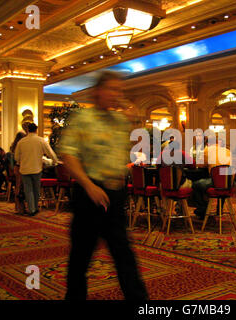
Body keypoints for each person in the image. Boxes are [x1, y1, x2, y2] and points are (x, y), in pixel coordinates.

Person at [58, 71, 147, 300]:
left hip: (115, 195)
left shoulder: (119, 121)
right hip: (89, 194)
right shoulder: (82, 119)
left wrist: (135, 119)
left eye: (120, 90)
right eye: (112, 89)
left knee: (123, 253)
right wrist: (89, 185)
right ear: (98, 91)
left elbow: (128, 151)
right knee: (82, 254)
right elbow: (68, 155)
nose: (117, 95)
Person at [15, 123, 58, 216]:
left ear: (28, 130)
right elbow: (50, 153)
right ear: (36, 130)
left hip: (24, 169)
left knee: (28, 190)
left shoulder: (21, 142)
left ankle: (32, 209)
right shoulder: (40, 140)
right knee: (36, 189)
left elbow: (16, 157)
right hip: (36, 169)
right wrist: (56, 161)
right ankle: (35, 208)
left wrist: (21, 161)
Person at [191, 132, 231, 220]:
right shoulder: (227, 150)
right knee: (221, 183)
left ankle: (202, 208)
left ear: (207, 143)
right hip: (229, 182)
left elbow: (201, 165)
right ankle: (219, 209)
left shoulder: (207, 150)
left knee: (196, 185)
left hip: (216, 181)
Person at [6, 132, 27, 214]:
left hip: (15, 168)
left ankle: (17, 207)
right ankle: (20, 208)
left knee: (18, 187)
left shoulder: (14, 146)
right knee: (20, 187)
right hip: (19, 167)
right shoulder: (21, 146)